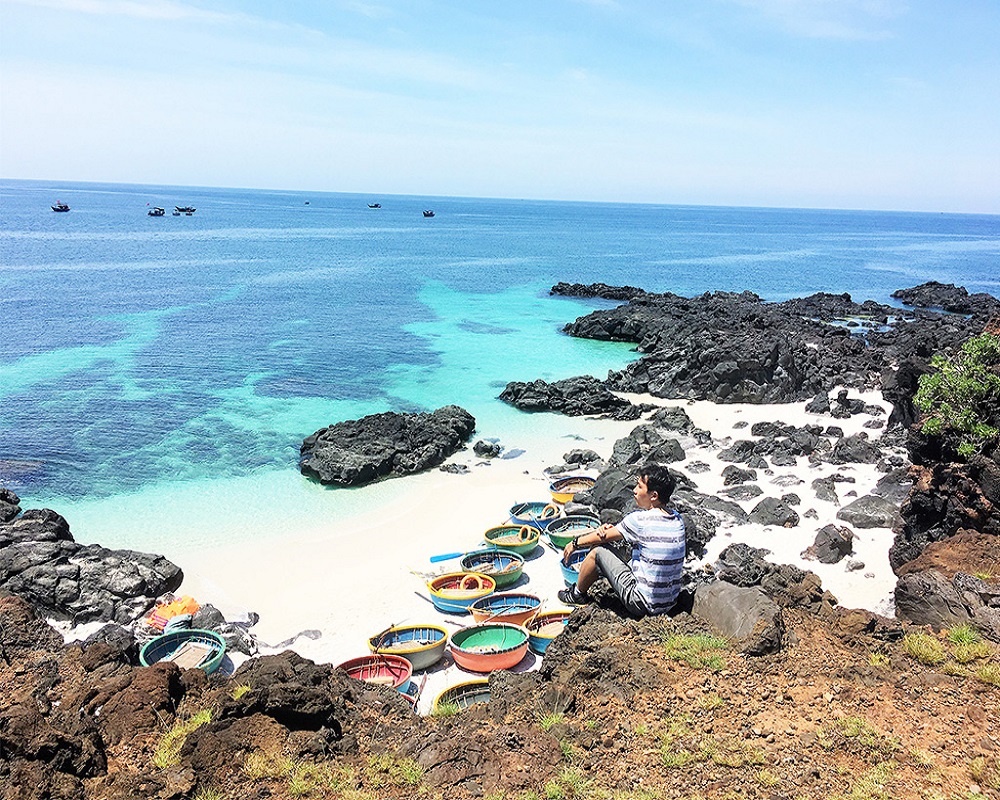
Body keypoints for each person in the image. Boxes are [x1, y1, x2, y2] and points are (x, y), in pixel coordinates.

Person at [557, 465, 685, 617]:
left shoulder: (640, 520)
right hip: (669, 602)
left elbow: (601, 537)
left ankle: (576, 595)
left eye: (639, 486)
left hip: (642, 604)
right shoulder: (677, 518)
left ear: (653, 496)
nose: (634, 490)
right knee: (621, 549)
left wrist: (575, 543)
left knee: (596, 552)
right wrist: (612, 531)